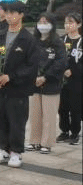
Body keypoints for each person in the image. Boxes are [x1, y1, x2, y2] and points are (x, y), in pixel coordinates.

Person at [0, 1, 42, 168]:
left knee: (16, 121)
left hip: (18, 89)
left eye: (13, 13)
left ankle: (16, 152)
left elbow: (32, 66)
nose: (9, 16)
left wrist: (12, 76)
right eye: (7, 13)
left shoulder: (29, 39)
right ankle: (3, 149)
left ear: (21, 15)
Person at [26, 13, 66, 154]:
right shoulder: (33, 41)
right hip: (34, 83)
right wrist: (33, 76)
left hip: (51, 84)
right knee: (35, 115)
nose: (42, 25)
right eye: (40, 22)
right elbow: (27, 60)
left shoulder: (57, 42)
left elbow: (61, 62)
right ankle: (34, 141)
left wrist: (46, 77)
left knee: (49, 115)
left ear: (52, 25)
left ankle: (47, 143)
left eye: (46, 22)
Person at [58, 12, 82, 145]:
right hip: (61, 81)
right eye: (66, 23)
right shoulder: (60, 40)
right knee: (62, 108)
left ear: (79, 24)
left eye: (71, 22)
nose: (67, 25)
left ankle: (75, 133)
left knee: (75, 108)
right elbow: (55, 58)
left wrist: (73, 71)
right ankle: (64, 131)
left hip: (77, 81)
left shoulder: (81, 42)